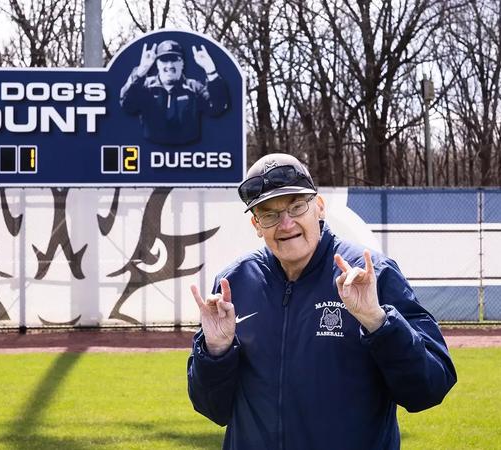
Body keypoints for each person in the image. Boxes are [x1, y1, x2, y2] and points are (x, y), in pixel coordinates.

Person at [187, 153, 457, 450]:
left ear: (319, 207)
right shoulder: (234, 284)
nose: (286, 224)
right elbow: (213, 409)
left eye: (296, 206)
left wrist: (378, 322)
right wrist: (215, 351)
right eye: (269, 214)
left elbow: (429, 388)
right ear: (256, 225)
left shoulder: (371, 275)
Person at [119, 40, 229, 145]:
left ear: (182, 63)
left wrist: (211, 71)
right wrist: (140, 72)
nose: (170, 65)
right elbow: (126, 105)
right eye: (164, 60)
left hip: (189, 150)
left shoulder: (194, 88)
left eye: (174, 60)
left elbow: (217, 107)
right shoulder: (145, 87)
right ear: (157, 64)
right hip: (150, 150)